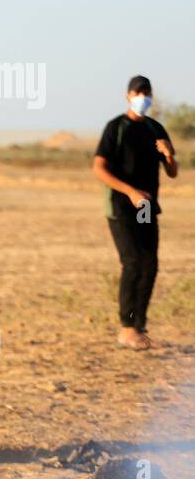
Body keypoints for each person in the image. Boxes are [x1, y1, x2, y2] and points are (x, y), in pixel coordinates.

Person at [92, 75, 179, 350]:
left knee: (149, 263)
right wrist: (129, 191)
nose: (143, 97)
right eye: (138, 92)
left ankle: (139, 327)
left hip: (146, 207)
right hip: (121, 206)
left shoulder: (155, 129)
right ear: (128, 96)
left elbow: (173, 172)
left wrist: (168, 155)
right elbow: (99, 168)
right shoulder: (116, 128)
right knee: (132, 261)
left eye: (147, 93)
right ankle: (126, 327)